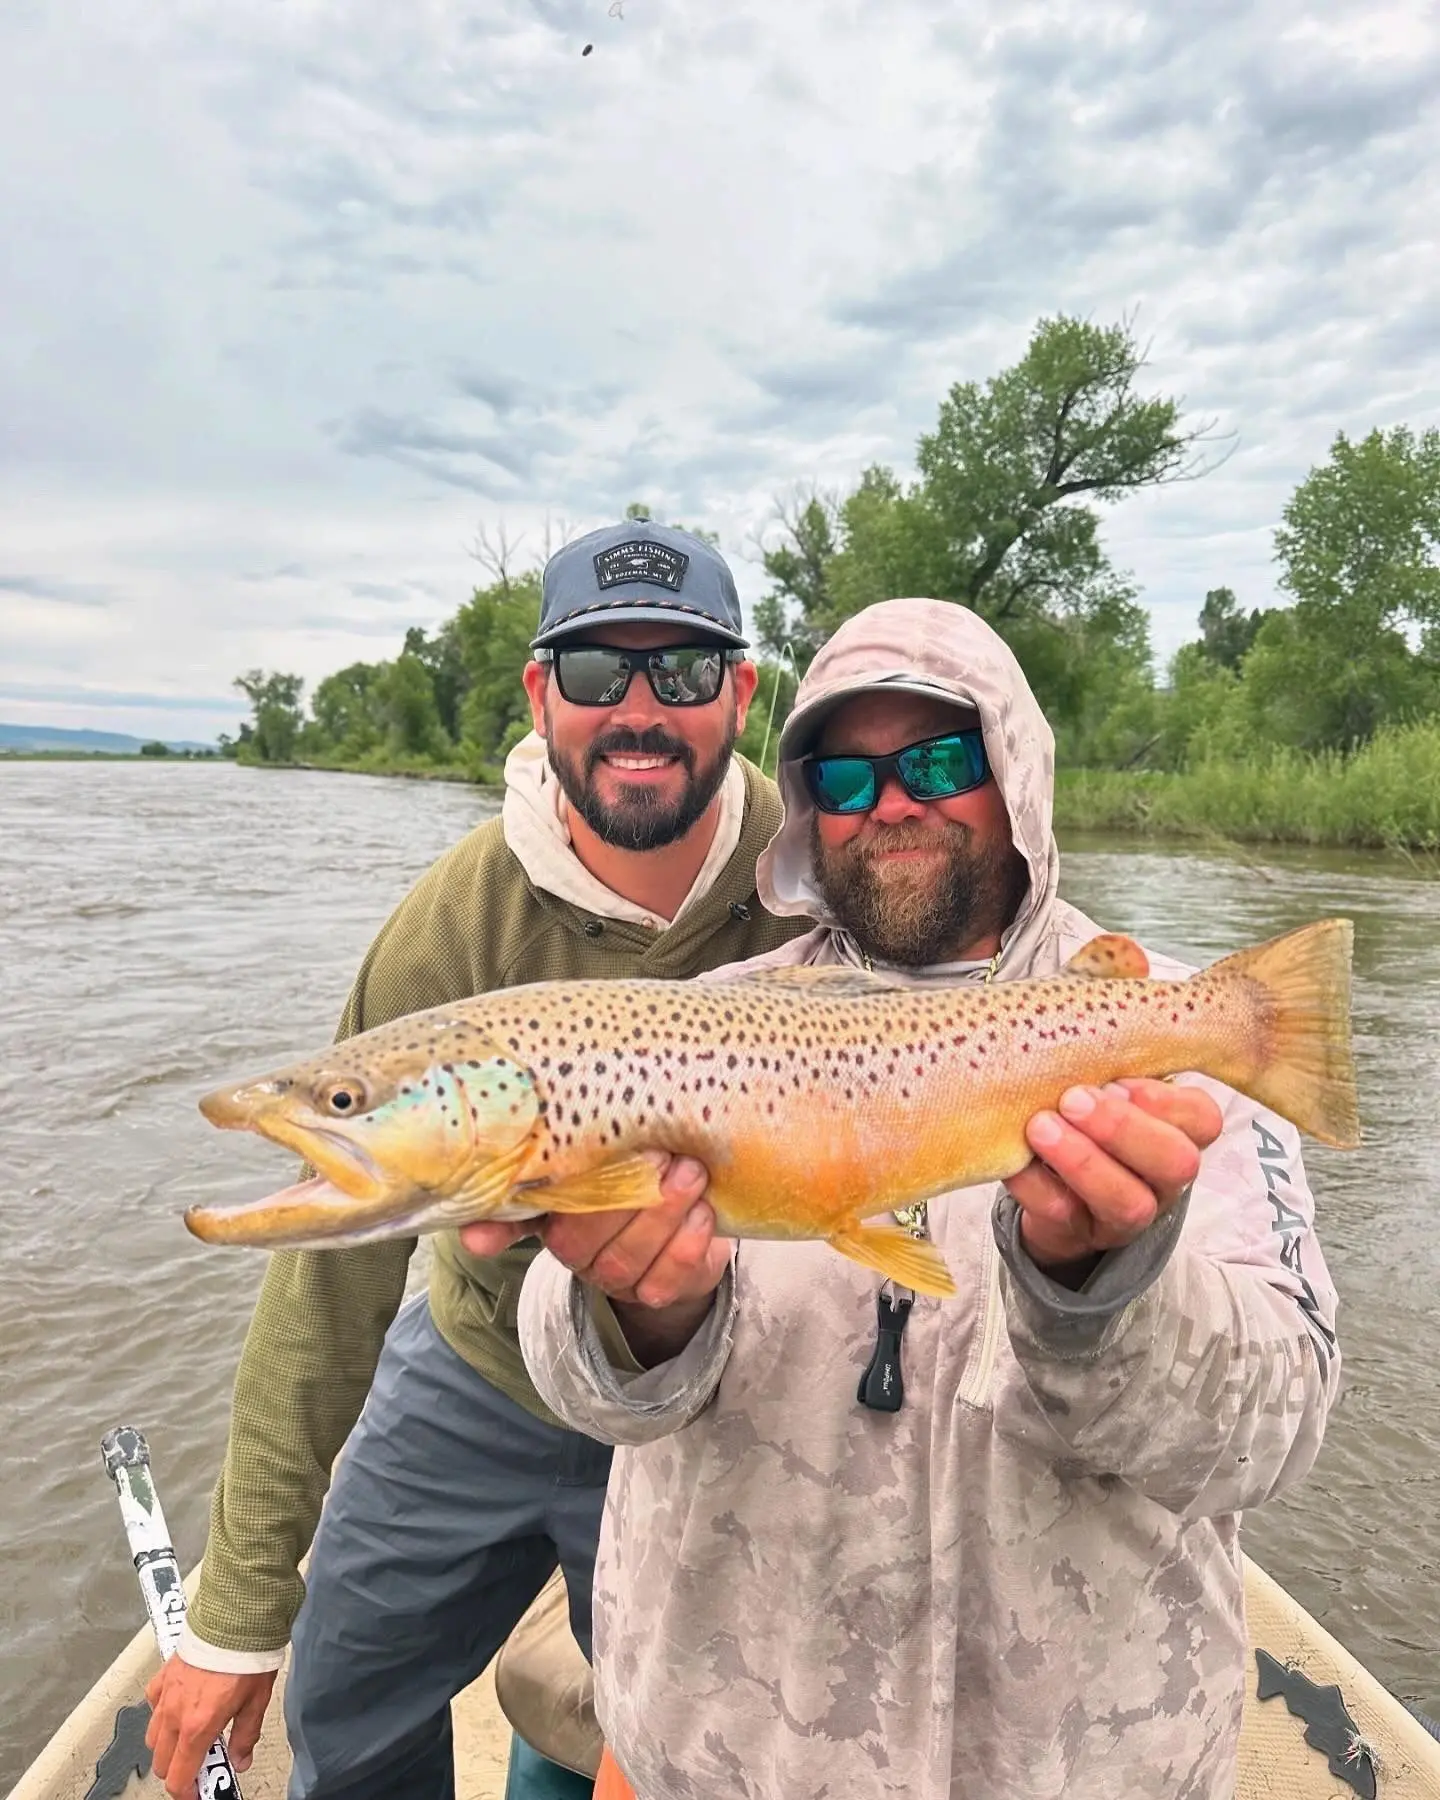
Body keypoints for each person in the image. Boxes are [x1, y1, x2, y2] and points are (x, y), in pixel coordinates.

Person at [495, 597, 1343, 1799]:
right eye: (844, 777)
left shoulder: (1171, 1038)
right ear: (806, 810)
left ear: (1014, 775)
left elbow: (1282, 1426)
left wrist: (1105, 1294)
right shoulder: (700, 1025)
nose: (891, 803)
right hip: (730, 1758)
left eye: (940, 760)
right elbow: (574, 1382)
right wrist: (642, 1318)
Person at [143, 521, 811, 1800]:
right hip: (483, 1367)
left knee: (703, 1747)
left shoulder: (815, 883)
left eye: (678, 672)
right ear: (538, 693)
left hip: (732, 1386)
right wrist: (234, 1609)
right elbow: (331, 1279)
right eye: (595, 673)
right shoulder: (454, 921)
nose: (637, 709)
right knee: (344, 1705)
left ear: (740, 691)